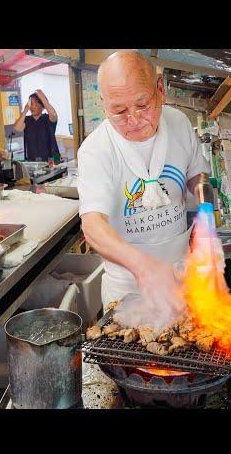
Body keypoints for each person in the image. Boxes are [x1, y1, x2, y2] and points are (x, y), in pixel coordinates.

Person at [77, 51, 210, 316]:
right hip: (127, 288)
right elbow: (92, 225)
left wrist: (206, 222)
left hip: (184, 275)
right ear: (103, 103)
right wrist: (144, 268)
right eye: (119, 111)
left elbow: (199, 177)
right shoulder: (95, 150)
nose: (134, 120)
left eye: (143, 105)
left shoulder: (179, 123)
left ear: (160, 89)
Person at [13, 89, 60, 162]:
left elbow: (53, 115)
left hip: (51, 160)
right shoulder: (27, 120)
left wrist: (43, 99)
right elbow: (17, 128)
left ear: (42, 106)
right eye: (31, 104)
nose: (32, 107)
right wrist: (25, 110)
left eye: (36, 104)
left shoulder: (48, 118)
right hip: (32, 161)